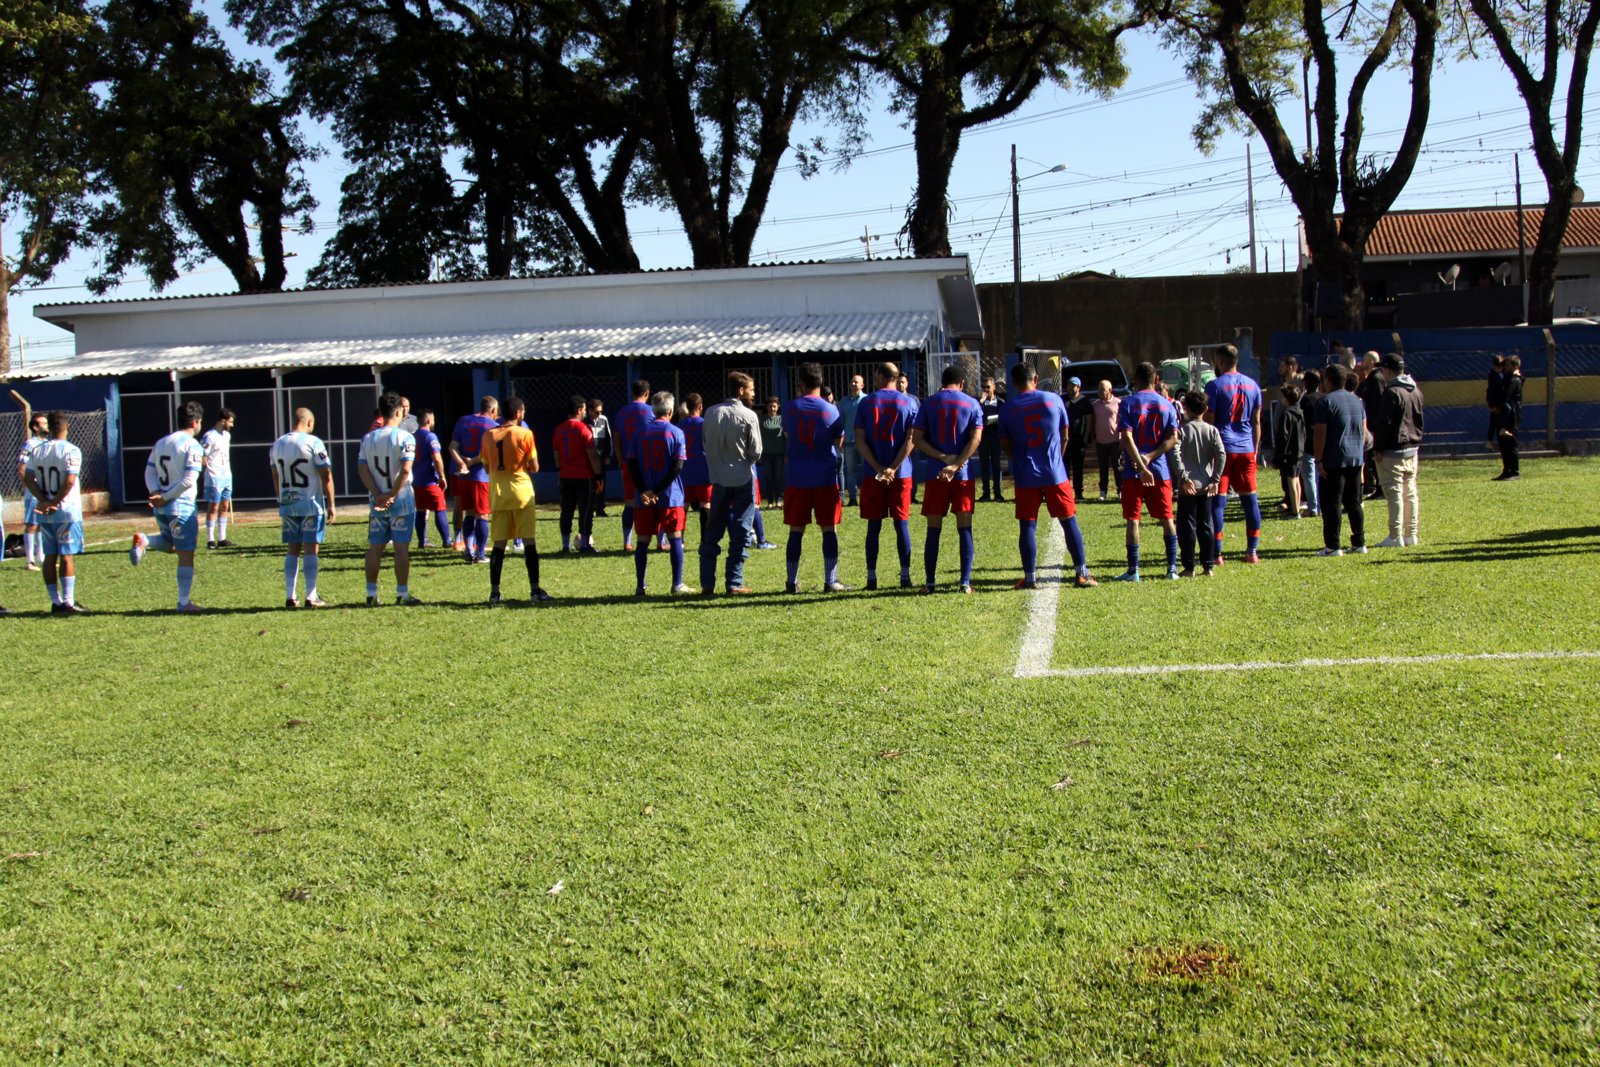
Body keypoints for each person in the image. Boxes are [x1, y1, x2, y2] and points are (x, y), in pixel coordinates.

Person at [996, 362, 1098, 590]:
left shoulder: (1008, 408)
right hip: (1054, 472)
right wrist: (1057, 460)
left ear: (1014, 383)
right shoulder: (1053, 400)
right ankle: (1081, 573)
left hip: (1026, 473)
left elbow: (1005, 445)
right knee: (1069, 520)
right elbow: (1065, 435)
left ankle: (1030, 578)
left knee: (1028, 525)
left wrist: (1021, 461)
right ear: (1036, 377)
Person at [129, 400, 209, 613]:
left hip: (161, 507)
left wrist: (156, 492)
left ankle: (145, 540)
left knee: (170, 543)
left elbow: (149, 471)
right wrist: (165, 496)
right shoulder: (192, 445)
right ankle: (184, 603)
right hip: (180, 505)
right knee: (185, 552)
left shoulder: (162, 442)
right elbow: (190, 479)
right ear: (195, 422)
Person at [912, 365, 984, 594]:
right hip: (962, 475)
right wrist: (956, 463)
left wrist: (942, 457)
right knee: (964, 527)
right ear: (962, 383)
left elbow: (917, 438)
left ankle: (930, 583)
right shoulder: (972, 404)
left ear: (941, 382)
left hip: (936, 474)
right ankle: (965, 582)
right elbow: (976, 439)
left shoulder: (929, 403)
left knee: (933, 528)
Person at [780, 362, 847, 593]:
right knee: (829, 529)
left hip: (797, 477)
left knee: (795, 531)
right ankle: (830, 580)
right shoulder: (831, 410)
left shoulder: (788, 408)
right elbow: (839, 442)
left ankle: (791, 581)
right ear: (820, 381)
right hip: (825, 478)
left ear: (801, 383)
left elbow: (788, 434)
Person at [1114, 361, 1181, 581]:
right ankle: (1172, 569)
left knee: (1133, 519)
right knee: (1167, 518)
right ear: (1156, 380)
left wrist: (1142, 464)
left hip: (1134, 471)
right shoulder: (1167, 404)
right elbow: (1173, 438)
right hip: (1160, 471)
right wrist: (1151, 458)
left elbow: (1127, 437)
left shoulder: (1128, 403)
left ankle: (1133, 571)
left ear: (1135, 379)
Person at [478, 396, 549, 603]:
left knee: (499, 545)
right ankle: (535, 590)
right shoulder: (525, 434)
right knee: (528, 542)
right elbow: (534, 467)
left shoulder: (488, 436)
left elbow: (485, 466)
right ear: (518, 413)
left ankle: (494, 592)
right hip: (522, 493)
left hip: (498, 494)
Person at [698, 371, 763, 595]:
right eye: (752, 390)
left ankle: (707, 582)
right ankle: (734, 582)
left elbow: (705, 443)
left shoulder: (710, 413)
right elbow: (756, 452)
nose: (754, 395)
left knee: (712, 532)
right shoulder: (748, 416)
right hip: (742, 478)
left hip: (718, 479)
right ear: (741, 390)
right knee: (742, 532)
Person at [855, 362, 917, 590]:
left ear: (881, 376)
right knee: (902, 524)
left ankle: (871, 578)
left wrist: (879, 467)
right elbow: (911, 439)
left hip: (874, 474)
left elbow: (860, 439)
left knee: (874, 525)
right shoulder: (909, 402)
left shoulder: (867, 402)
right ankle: (905, 576)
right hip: (901, 474)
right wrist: (894, 466)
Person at [267, 406, 337, 608]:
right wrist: (331, 503)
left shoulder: (277, 444)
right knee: (311, 548)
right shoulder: (313, 442)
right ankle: (311, 595)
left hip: (288, 502)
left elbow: (275, 475)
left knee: (292, 549)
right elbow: (326, 474)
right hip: (310, 503)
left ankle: (290, 596)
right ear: (309, 423)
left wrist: (280, 497)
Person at [358, 391, 421, 607]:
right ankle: (402, 593)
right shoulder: (405, 437)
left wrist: (377, 495)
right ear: (397, 411)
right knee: (401, 548)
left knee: (375, 547)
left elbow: (362, 469)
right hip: (401, 498)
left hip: (377, 500)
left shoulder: (368, 438)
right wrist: (392, 495)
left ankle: (371, 593)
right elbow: (405, 471)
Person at [20, 411, 87, 613]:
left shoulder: (38, 450)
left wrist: (42, 500)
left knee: (50, 556)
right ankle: (68, 601)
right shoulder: (72, 450)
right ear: (66, 428)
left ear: (50, 428)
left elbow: (27, 477)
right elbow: (69, 481)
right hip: (66, 511)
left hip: (45, 510)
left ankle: (55, 601)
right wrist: (56, 501)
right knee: (67, 556)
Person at [627, 391, 692, 595]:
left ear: (653, 409)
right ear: (671, 411)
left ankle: (640, 586)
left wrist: (644, 490)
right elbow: (677, 466)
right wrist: (657, 490)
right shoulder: (675, 432)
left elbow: (631, 463)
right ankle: (677, 584)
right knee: (674, 537)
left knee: (642, 540)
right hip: (669, 495)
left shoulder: (640, 432)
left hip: (644, 497)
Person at [1203, 343, 1264, 564]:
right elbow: (1257, 421)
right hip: (1246, 448)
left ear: (1220, 361)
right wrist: (1255, 449)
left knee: (1219, 502)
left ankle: (1217, 554)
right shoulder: (1253, 386)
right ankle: (1252, 551)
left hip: (1223, 449)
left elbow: (1209, 422)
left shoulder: (1214, 386)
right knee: (1250, 500)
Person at [1312, 363, 1368, 556]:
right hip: (1355, 457)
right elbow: (1363, 430)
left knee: (1332, 503)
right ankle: (1359, 542)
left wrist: (1318, 460)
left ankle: (1333, 545)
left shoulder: (1325, 402)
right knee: (1354, 502)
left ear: (1328, 380)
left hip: (1334, 459)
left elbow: (1320, 433)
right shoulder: (1357, 401)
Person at [1373, 353, 1424, 548]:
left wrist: (1378, 447)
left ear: (1387, 370)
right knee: (1410, 492)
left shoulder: (1391, 392)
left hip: (1393, 450)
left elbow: (1385, 423)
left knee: (1394, 493)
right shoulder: (1415, 390)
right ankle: (1411, 533)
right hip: (1412, 447)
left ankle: (1395, 535)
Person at [1173, 391, 1225, 578]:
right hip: (1205, 484)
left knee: (1186, 526)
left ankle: (1189, 567)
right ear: (1205, 408)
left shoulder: (1182, 430)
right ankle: (1208, 566)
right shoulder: (1212, 430)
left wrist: (1184, 477)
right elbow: (1221, 454)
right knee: (1206, 525)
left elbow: (1175, 454)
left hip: (1188, 486)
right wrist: (1215, 479)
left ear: (1186, 409)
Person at [449, 396, 499, 562]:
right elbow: (489, 452)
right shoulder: (493, 426)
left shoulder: (463, 420)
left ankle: (468, 550)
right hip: (481, 476)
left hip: (464, 477)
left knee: (469, 513)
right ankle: (480, 554)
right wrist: (472, 461)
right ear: (492, 410)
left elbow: (452, 447)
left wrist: (461, 463)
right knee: (482, 515)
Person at [553, 395, 601, 553]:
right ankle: (585, 544)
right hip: (584, 476)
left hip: (565, 476)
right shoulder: (583, 429)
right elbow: (592, 455)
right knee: (586, 511)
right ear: (579, 410)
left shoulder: (558, 430)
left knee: (566, 511)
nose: (586, 412)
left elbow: (557, 458)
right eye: (585, 409)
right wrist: (598, 475)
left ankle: (565, 545)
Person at [615, 380, 655, 551]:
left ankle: (627, 541)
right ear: (647, 393)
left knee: (630, 503)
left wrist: (620, 459)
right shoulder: (651, 411)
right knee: (653, 499)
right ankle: (661, 540)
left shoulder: (621, 412)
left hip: (628, 463)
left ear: (633, 393)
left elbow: (616, 438)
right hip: (647, 464)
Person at [10, 391, 48, 571]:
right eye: (43, 423)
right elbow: (22, 467)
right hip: (34, 492)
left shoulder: (47, 443)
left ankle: (41, 558)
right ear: (35, 427)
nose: (46, 426)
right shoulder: (30, 444)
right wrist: (30, 487)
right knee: (32, 524)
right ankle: (30, 561)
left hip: (44, 489)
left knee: (41, 524)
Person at [411, 409, 452, 550]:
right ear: (428, 421)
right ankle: (447, 540)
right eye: (433, 419)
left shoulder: (413, 436)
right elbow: (437, 458)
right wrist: (442, 476)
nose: (433, 422)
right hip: (430, 480)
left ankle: (422, 540)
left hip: (416, 480)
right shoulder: (430, 437)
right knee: (440, 508)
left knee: (421, 510)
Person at [199, 409, 236, 549]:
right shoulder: (209, 436)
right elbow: (202, 455)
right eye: (230, 422)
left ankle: (222, 538)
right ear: (223, 420)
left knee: (225, 506)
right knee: (213, 506)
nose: (232, 425)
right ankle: (210, 539)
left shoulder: (226, 435)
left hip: (226, 475)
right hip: (214, 476)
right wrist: (208, 468)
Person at [679, 394, 713, 540]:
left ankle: (679, 539)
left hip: (685, 468)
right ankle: (704, 540)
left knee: (684, 504)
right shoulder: (705, 424)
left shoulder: (680, 425)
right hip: (702, 468)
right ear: (700, 407)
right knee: (705, 503)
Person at [1355, 351, 1386, 499]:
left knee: (1375, 459)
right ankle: (1373, 485)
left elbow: (1379, 404)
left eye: (1365, 361)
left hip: (1374, 426)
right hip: (1371, 425)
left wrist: (1374, 427)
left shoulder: (1376, 379)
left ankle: (1380, 487)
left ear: (1372, 363)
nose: (1362, 364)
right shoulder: (1370, 379)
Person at [1275, 383, 1304, 518]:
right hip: (1299, 450)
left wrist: (1279, 454)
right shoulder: (1300, 412)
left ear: (1286, 399)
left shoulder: (1286, 414)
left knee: (1291, 480)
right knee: (1297, 479)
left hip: (1289, 452)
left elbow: (1282, 437)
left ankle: (1295, 511)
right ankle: (1295, 505)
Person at [1298, 369, 1323, 518]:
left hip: (1308, 440)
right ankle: (1320, 504)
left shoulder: (1305, 400)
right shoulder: (1324, 398)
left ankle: (1313, 506)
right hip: (1322, 439)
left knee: (1309, 476)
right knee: (1320, 476)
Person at [1064, 376, 1094, 499]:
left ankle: (1078, 492)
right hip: (1065, 440)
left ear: (1078, 387)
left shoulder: (1085, 402)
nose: (1070, 388)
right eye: (1069, 385)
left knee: (1078, 468)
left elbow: (1089, 420)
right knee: (1064, 467)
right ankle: (1065, 492)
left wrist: (1086, 437)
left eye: (1073, 386)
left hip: (1079, 439)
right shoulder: (1062, 399)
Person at [1091, 379, 1121, 501]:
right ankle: (1103, 491)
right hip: (1100, 442)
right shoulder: (1095, 405)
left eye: (1102, 389)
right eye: (1099, 389)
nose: (1100, 391)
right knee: (1103, 469)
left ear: (1110, 390)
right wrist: (1093, 439)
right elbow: (1092, 423)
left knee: (1117, 468)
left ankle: (1120, 491)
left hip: (1115, 442)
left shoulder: (1118, 403)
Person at [838, 373, 865, 506]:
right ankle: (853, 498)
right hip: (848, 442)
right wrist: (840, 440)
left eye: (856, 382)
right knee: (850, 470)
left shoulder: (867, 400)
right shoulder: (843, 402)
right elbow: (840, 423)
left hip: (864, 442)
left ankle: (867, 495)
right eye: (852, 382)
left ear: (862, 385)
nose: (853, 384)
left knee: (867, 469)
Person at [977, 376, 1004, 501]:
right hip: (983, 437)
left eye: (988, 387)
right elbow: (975, 414)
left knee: (996, 465)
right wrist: (981, 402)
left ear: (994, 387)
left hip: (995, 437)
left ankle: (997, 493)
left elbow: (1004, 419)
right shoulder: (979, 403)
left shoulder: (1000, 403)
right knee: (984, 465)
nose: (986, 389)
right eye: (983, 387)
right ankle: (986, 493)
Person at [896, 372, 921, 504]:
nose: (900, 384)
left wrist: (918, 440)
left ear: (907, 384)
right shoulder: (894, 400)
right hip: (899, 441)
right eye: (898, 382)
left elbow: (919, 421)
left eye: (902, 382)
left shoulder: (914, 400)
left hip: (912, 440)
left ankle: (913, 494)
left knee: (913, 468)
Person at [587, 397, 612, 517]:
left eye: (601, 411)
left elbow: (609, 438)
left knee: (601, 484)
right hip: (588, 460)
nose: (599, 414)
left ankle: (600, 509)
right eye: (597, 412)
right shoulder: (584, 423)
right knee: (589, 484)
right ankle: (589, 508)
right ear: (589, 411)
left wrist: (608, 455)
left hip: (601, 458)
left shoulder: (603, 420)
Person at [760, 396, 786, 506]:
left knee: (778, 477)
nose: (772, 409)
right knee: (768, 477)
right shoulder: (761, 420)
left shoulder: (782, 419)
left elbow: (786, 438)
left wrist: (786, 454)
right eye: (770, 406)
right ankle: (770, 500)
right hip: (766, 454)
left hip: (779, 453)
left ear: (778, 407)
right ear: (767, 407)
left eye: (774, 406)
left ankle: (779, 499)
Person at [1485, 354, 1507, 448]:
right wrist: (1493, 405)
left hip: (1500, 402)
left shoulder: (1501, 373)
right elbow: (1492, 391)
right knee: (1495, 422)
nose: (1499, 368)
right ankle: (1491, 441)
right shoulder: (1493, 376)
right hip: (1496, 403)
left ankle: (1493, 441)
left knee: (1496, 422)